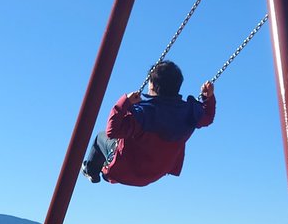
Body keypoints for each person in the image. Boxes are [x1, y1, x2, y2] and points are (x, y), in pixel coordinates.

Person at [82, 60, 215, 187]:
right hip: (154, 174)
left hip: (123, 171)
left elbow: (112, 131)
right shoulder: (190, 112)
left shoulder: (142, 113)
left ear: (151, 85)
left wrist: (125, 102)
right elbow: (207, 117)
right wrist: (208, 98)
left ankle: (91, 171)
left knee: (100, 137)